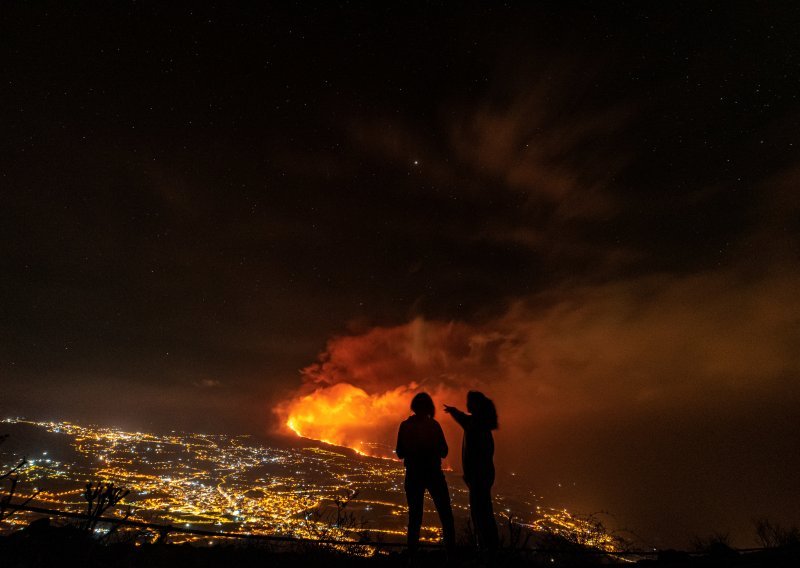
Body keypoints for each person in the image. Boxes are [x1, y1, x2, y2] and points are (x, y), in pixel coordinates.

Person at [396, 392, 456, 556]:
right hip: (434, 475)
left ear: (414, 407)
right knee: (446, 515)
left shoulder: (405, 426)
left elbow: (400, 452)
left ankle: (412, 557)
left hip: (413, 475)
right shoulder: (434, 426)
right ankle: (451, 555)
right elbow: (444, 451)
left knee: (415, 517)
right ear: (429, 408)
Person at [444, 391, 499, 552]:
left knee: (480, 515)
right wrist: (454, 411)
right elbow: (464, 418)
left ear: (475, 405)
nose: (467, 404)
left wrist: (454, 411)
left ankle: (486, 550)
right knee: (485, 513)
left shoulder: (475, 425)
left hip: (478, 477)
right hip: (483, 476)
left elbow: (464, 420)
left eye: (469, 401)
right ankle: (490, 549)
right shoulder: (481, 425)